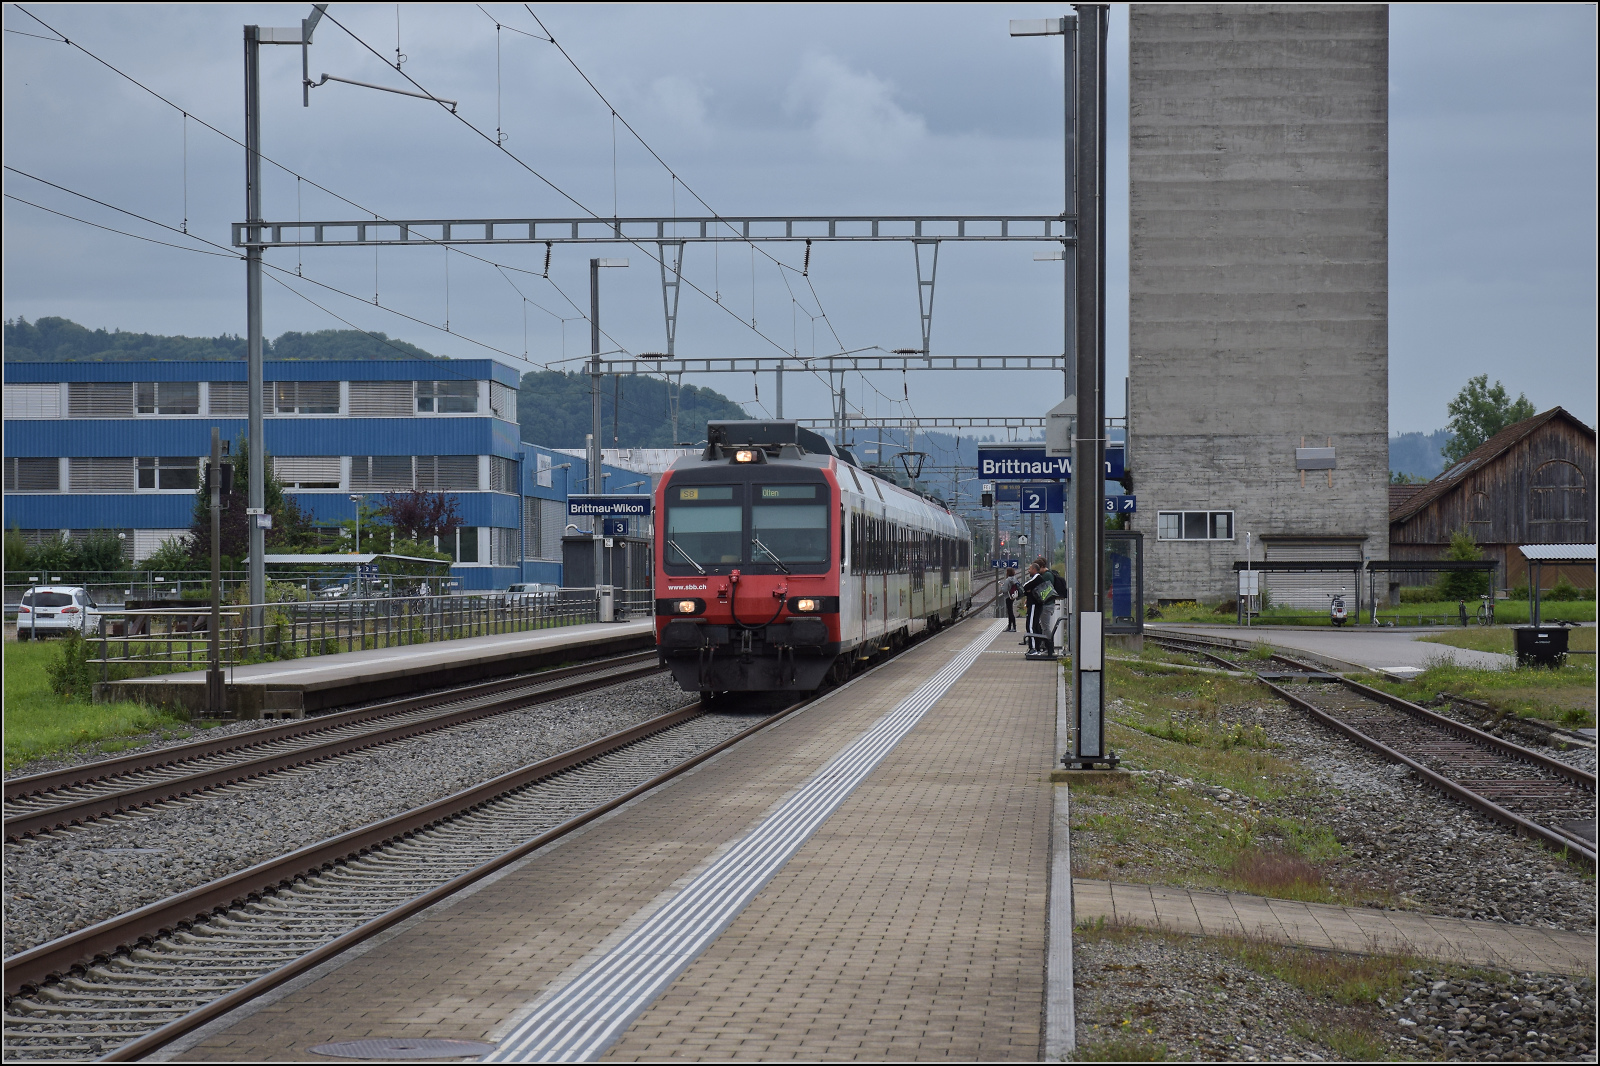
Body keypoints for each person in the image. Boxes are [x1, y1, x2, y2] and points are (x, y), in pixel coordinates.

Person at [1022, 559, 1058, 654]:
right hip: (1037, 605)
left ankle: (1033, 648)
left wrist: (1027, 590)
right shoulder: (1039, 578)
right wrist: (1027, 591)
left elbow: (1024, 586)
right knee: (1036, 626)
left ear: (1034, 569)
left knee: (1031, 626)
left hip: (1034, 605)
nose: (1028, 571)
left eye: (1030, 569)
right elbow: (1026, 590)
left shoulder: (1037, 577)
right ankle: (1037, 647)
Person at [1003, 567, 1019, 632]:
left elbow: (1005, 589)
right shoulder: (1014, 578)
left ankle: (1013, 627)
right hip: (1013, 596)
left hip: (1008, 596)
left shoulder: (1007, 580)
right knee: (1010, 611)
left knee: (1010, 612)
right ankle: (1010, 626)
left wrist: (1002, 586)